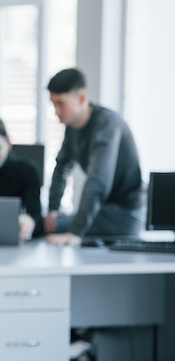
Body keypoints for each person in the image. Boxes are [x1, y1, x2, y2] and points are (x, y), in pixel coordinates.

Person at [44, 68, 144, 247]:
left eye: (61, 103)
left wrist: (76, 232)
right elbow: (61, 168)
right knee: (49, 222)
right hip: (103, 211)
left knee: (45, 227)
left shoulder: (107, 124)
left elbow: (98, 181)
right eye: (53, 104)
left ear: (81, 98)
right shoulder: (73, 125)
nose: (56, 111)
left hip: (126, 214)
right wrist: (53, 209)